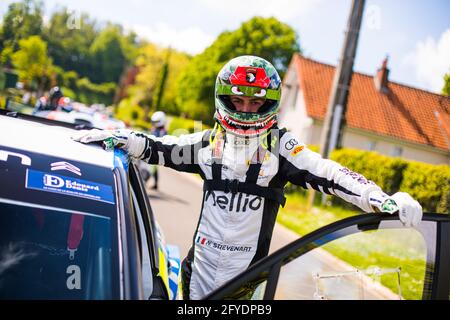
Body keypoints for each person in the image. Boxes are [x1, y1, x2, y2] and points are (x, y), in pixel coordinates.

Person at [72, 55, 422, 300]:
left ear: (271, 104)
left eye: (256, 103)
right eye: (238, 100)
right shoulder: (206, 142)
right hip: (198, 276)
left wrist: (382, 198)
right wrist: (124, 139)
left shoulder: (282, 146)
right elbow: (159, 147)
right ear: (225, 98)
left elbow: (328, 172)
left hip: (247, 283)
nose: (246, 109)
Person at [149, 111, 168, 189]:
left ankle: (154, 183)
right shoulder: (154, 129)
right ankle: (154, 183)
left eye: (156, 122)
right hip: (152, 149)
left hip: (157, 151)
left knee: (153, 167)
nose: (154, 123)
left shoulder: (163, 131)